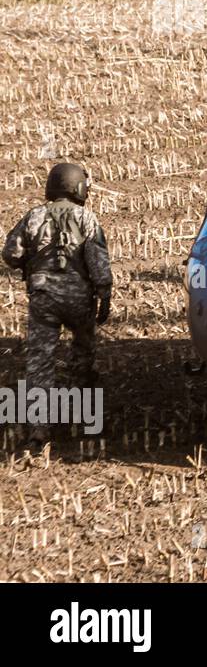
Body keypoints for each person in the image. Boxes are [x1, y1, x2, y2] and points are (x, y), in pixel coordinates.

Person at [2, 163, 112, 451]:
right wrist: (105, 296)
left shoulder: (35, 216)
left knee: (40, 362)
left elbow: (10, 254)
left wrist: (30, 261)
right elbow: (98, 263)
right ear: (78, 188)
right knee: (83, 352)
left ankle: (38, 430)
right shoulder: (87, 218)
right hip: (79, 300)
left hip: (44, 298)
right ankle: (83, 415)